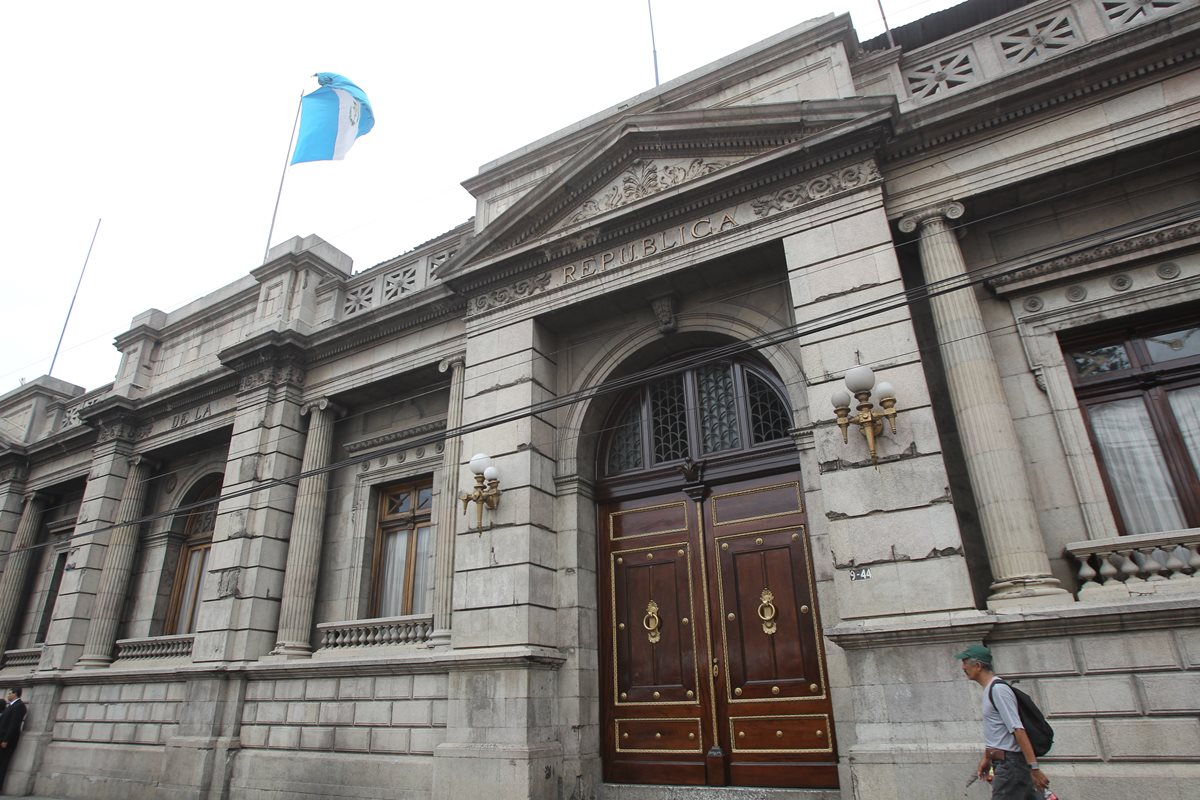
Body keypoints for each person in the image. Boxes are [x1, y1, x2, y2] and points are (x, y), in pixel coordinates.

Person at [957, 645, 1049, 799]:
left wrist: (1034, 768)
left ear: (978, 666)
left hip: (1010, 766)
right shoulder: (989, 690)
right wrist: (987, 757)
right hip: (1005, 764)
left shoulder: (998, 690)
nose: (963, 667)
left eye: (965, 662)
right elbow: (998, 732)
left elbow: (1018, 730)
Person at [0, 687, 26, 792]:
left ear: (15, 694)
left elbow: (13, 725)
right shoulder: (11, 706)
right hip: (1, 738)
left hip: (6, 741)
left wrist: (6, 740)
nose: (8, 695)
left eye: (10, 693)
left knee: (2, 764)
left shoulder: (19, 706)